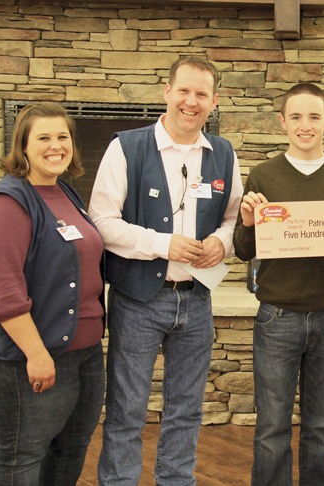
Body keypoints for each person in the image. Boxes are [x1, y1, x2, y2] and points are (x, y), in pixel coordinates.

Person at [88, 57, 243, 485]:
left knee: (187, 408)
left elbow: (233, 220)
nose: (191, 102)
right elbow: (101, 222)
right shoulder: (126, 147)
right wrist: (162, 244)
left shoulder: (224, 153)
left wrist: (222, 242)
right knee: (127, 409)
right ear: (166, 92)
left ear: (213, 101)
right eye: (183, 91)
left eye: (201, 94)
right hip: (138, 299)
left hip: (196, 300)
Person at [0, 102, 105, 485]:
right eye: (43, 137)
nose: (55, 146)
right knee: (22, 457)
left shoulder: (65, 192)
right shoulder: (7, 203)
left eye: (63, 137)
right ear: (22, 146)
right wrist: (37, 353)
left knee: (72, 448)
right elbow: (1, 292)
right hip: (30, 358)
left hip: (83, 354)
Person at [233, 82, 324, 485]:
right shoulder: (264, 174)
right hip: (277, 318)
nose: (305, 125)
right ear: (282, 122)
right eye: (296, 117)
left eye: (313, 116)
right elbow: (242, 250)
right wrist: (249, 221)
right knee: (271, 427)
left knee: (321, 423)